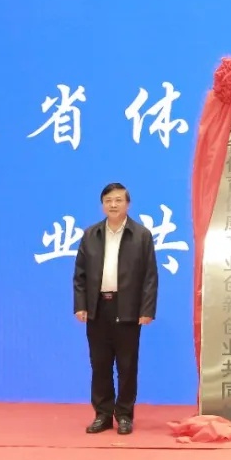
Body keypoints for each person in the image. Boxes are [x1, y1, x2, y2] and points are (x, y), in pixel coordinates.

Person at [73, 182, 158, 435]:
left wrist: (147, 309)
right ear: (102, 205)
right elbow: (80, 275)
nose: (113, 205)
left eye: (118, 200)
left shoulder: (141, 235)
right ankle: (102, 414)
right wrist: (81, 305)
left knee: (127, 366)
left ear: (127, 204)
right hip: (98, 307)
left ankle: (124, 415)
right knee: (100, 365)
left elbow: (150, 276)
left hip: (128, 308)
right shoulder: (91, 235)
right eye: (108, 200)